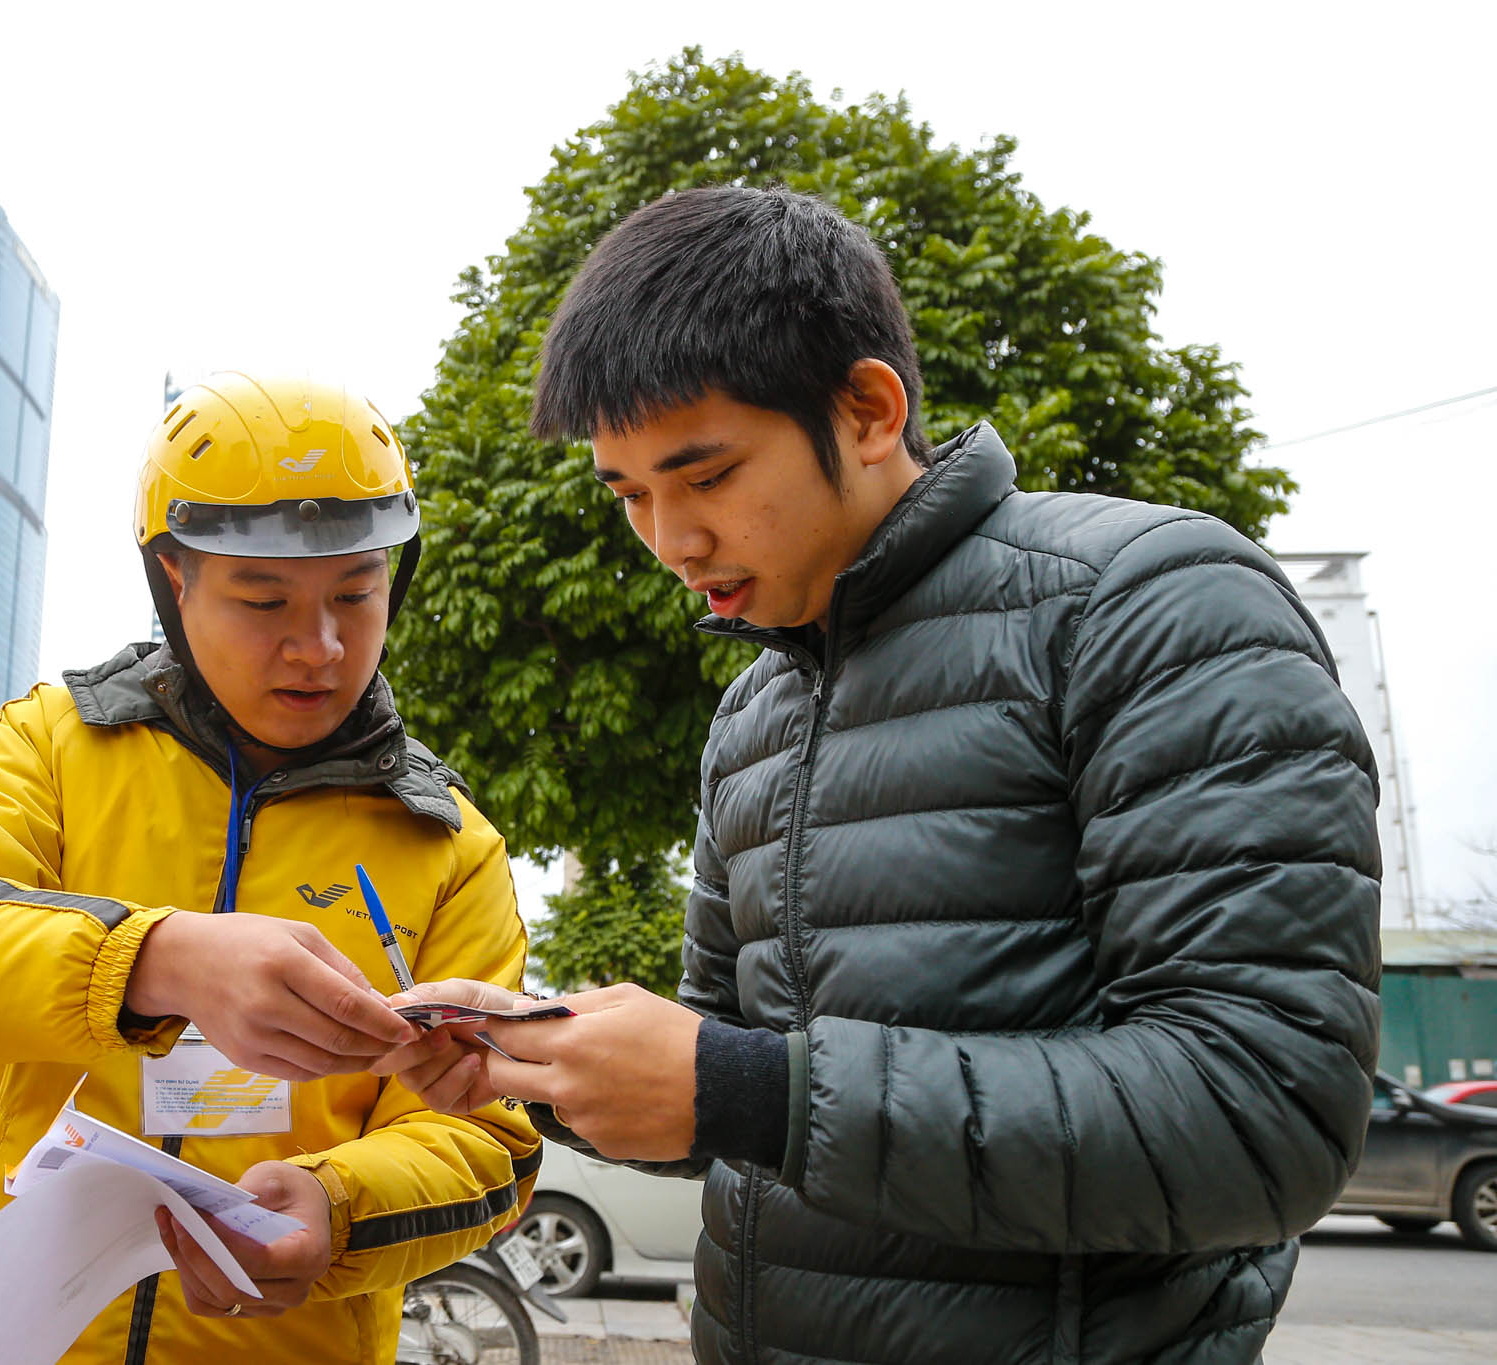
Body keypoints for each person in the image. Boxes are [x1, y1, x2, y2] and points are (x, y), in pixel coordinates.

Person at [380, 186, 1382, 1363]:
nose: (668, 542)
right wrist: (540, 1061)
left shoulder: (1150, 608)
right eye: (630, 494)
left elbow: (1258, 1119)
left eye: (702, 477)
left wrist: (745, 1090)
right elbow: (727, 1073)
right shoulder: (753, 709)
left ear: (865, 410)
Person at [0, 372, 540, 1365]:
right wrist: (157, 961)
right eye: (263, 598)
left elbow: (490, 1144)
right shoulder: (50, 746)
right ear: (174, 580)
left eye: (357, 593)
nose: (318, 647)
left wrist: (335, 1207)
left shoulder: (446, 845)